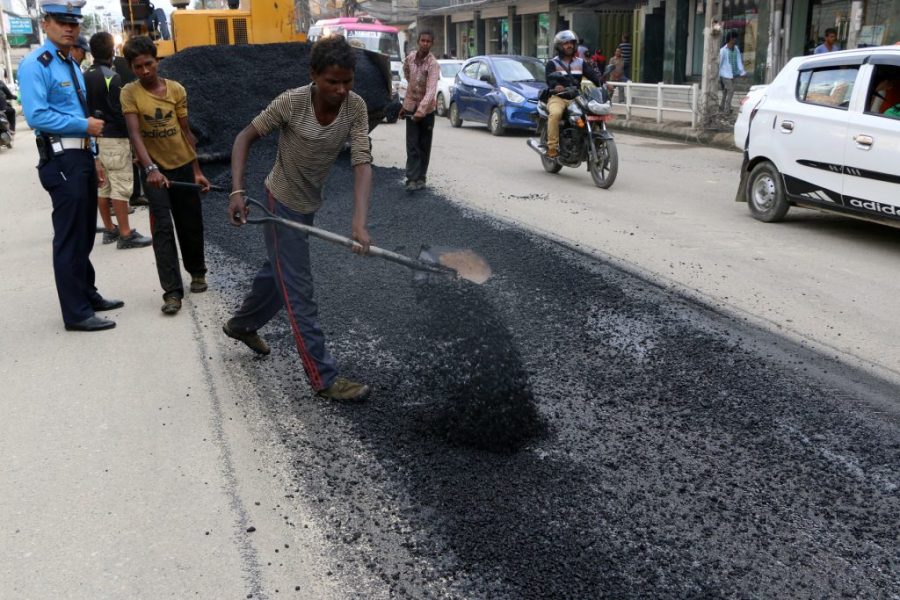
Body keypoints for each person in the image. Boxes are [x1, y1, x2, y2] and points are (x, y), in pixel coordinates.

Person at [224, 35, 374, 403]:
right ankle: (323, 377)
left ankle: (242, 324)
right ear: (314, 75)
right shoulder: (292, 102)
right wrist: (237, 191)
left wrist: (359, 221)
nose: (340, 89)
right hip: (280, 202)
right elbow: (244, 137)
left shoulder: (355, 107)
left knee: (278, 274)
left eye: (347, 81)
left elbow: (362, 163)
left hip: (308, 204)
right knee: (298, 288)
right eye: (332, 82)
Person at [18, 0, 124, 332]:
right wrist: (84, 128)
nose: (69, 28)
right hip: (61, 159)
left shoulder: (71, 63)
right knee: (69, 237)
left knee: (83, 235)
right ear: (45, 23)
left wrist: (93, 155)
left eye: (74, 23)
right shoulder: (38, 64)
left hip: (79, 157)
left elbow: (81, 112)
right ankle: (76, 313)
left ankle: (87, 294)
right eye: (61, 22)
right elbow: (36, 115)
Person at [120, 35, 210, 316]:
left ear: (157, 60)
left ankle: (197, 272)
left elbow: (186, 133)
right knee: (162, 229)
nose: (145, 71)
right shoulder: (129, 93)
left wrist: (196, 171)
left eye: (148, 64)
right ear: (132, 67)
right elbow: (135, 134)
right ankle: (172, 292)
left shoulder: (176, 90)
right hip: (154, 172)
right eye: (138, 67)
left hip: (182, 165)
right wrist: (151, 169)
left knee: (190, 223)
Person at [85, 31, 152, 250]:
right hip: (115, 138)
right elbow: (118, 111)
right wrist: (133, 142)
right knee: (120, 186)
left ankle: (110, 229)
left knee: (103, 187)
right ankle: (125, 234)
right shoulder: (110, 76)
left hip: (96, 139)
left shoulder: (86, 74)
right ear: (111, 50)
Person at [544, 29, 602, 159]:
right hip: (558, 97)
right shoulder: (552, 63)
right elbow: (549, 80)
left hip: (576, 97)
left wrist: (603, 84)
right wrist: (556, 86)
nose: (569, 45)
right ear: (559, 46)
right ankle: (552, 147)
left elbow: (593, 76)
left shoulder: (581, 63)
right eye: (565, 43)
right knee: (556, 114)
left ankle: (594, 141)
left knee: (593, 113)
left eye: (571, 43)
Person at [399, 30, 440, 191]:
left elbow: (431, 90)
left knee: (424, 145)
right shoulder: (410, 59)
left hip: (427, 111)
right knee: (412, 144)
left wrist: (422, 109)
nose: (425, 44)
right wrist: (406, 106)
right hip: (411, 108)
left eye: (428, 41)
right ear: (418, 41)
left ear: (432, 44)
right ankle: (411, 178)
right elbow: (408, 78)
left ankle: (421, 177)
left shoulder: (433, 64)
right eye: (422, 41)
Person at [718, 31, 746, 113]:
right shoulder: (723, 51)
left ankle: (722, 107)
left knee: (726, 91)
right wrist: (717, 76)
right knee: (731, 90)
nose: (736, 40)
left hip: (732, 74)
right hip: (724, 74)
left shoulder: (736, 49)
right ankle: (727, 109)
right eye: (735, 38)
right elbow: (719, 64)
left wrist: (742, 72)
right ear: (730, 39)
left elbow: (739, 61)